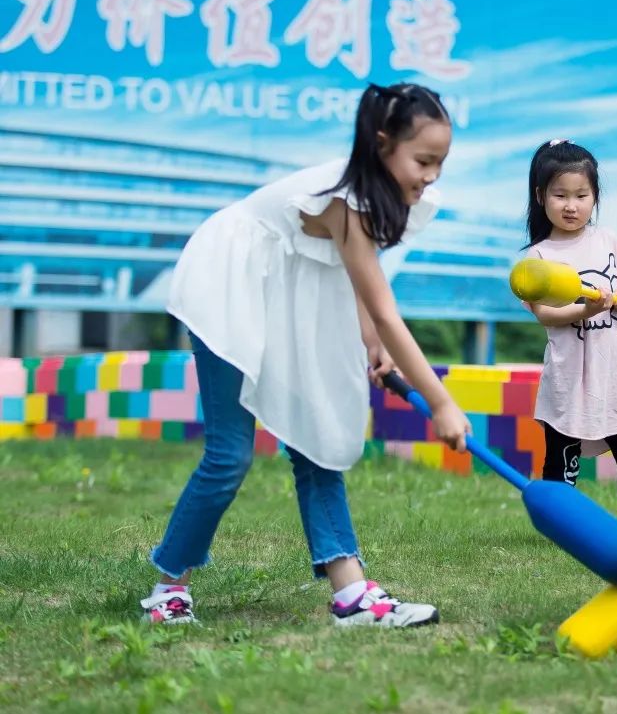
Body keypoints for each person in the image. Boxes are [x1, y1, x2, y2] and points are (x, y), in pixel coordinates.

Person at [140, 82, 470, 629]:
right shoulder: (347, 199)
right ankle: (167, 590)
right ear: (382, 144)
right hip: (231, 280)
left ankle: (352, 596)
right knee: (230, 455)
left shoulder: (380, 196)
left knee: (317, 434)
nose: (432, 174)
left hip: (289, 289)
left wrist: (372, 342)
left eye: (441, 162)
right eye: (423, 160)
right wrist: (440, 403)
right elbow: (387, 310)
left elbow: (361, 281)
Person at [521, 139, 617, 549]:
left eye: (581, 195)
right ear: (541, 196)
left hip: (615, 375)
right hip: (570, 377)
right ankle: (561, 532)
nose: (571, 205)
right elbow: (545, 314)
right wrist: (586, 310)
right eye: (560, 195)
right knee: (561, 462)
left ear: (595, 197)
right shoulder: (538, 257)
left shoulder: (607, 239)